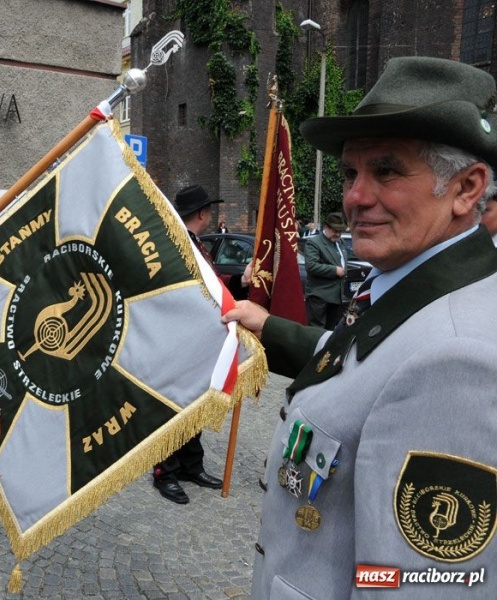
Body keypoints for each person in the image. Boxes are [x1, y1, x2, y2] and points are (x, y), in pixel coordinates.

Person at [222, 57, 497, 599]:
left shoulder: (458, 361)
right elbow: (364, 365)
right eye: (351, 173)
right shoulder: (416, 289)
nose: (354, 197)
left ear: (467, 189)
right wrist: (266, 325)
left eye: (387, 171)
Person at [151, 184, 226, 504]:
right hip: (177, 340)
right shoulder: (178, 243)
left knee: (195, 405)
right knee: (174, 407)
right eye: (210, 209)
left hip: (196, 341)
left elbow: (212, 288)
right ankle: (164, 471)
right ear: (202, 214)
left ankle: (189, 465)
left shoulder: (195, 244)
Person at [303, 212, 348, 329]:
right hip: (319, 296)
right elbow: (311, 266)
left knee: (332, 330)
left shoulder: (340, 242)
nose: (338, 234)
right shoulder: (314, 243)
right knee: (317, 331)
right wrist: (334, 270)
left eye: (340, 231)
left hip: (336, 296)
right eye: (335, 231)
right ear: (326, 227)